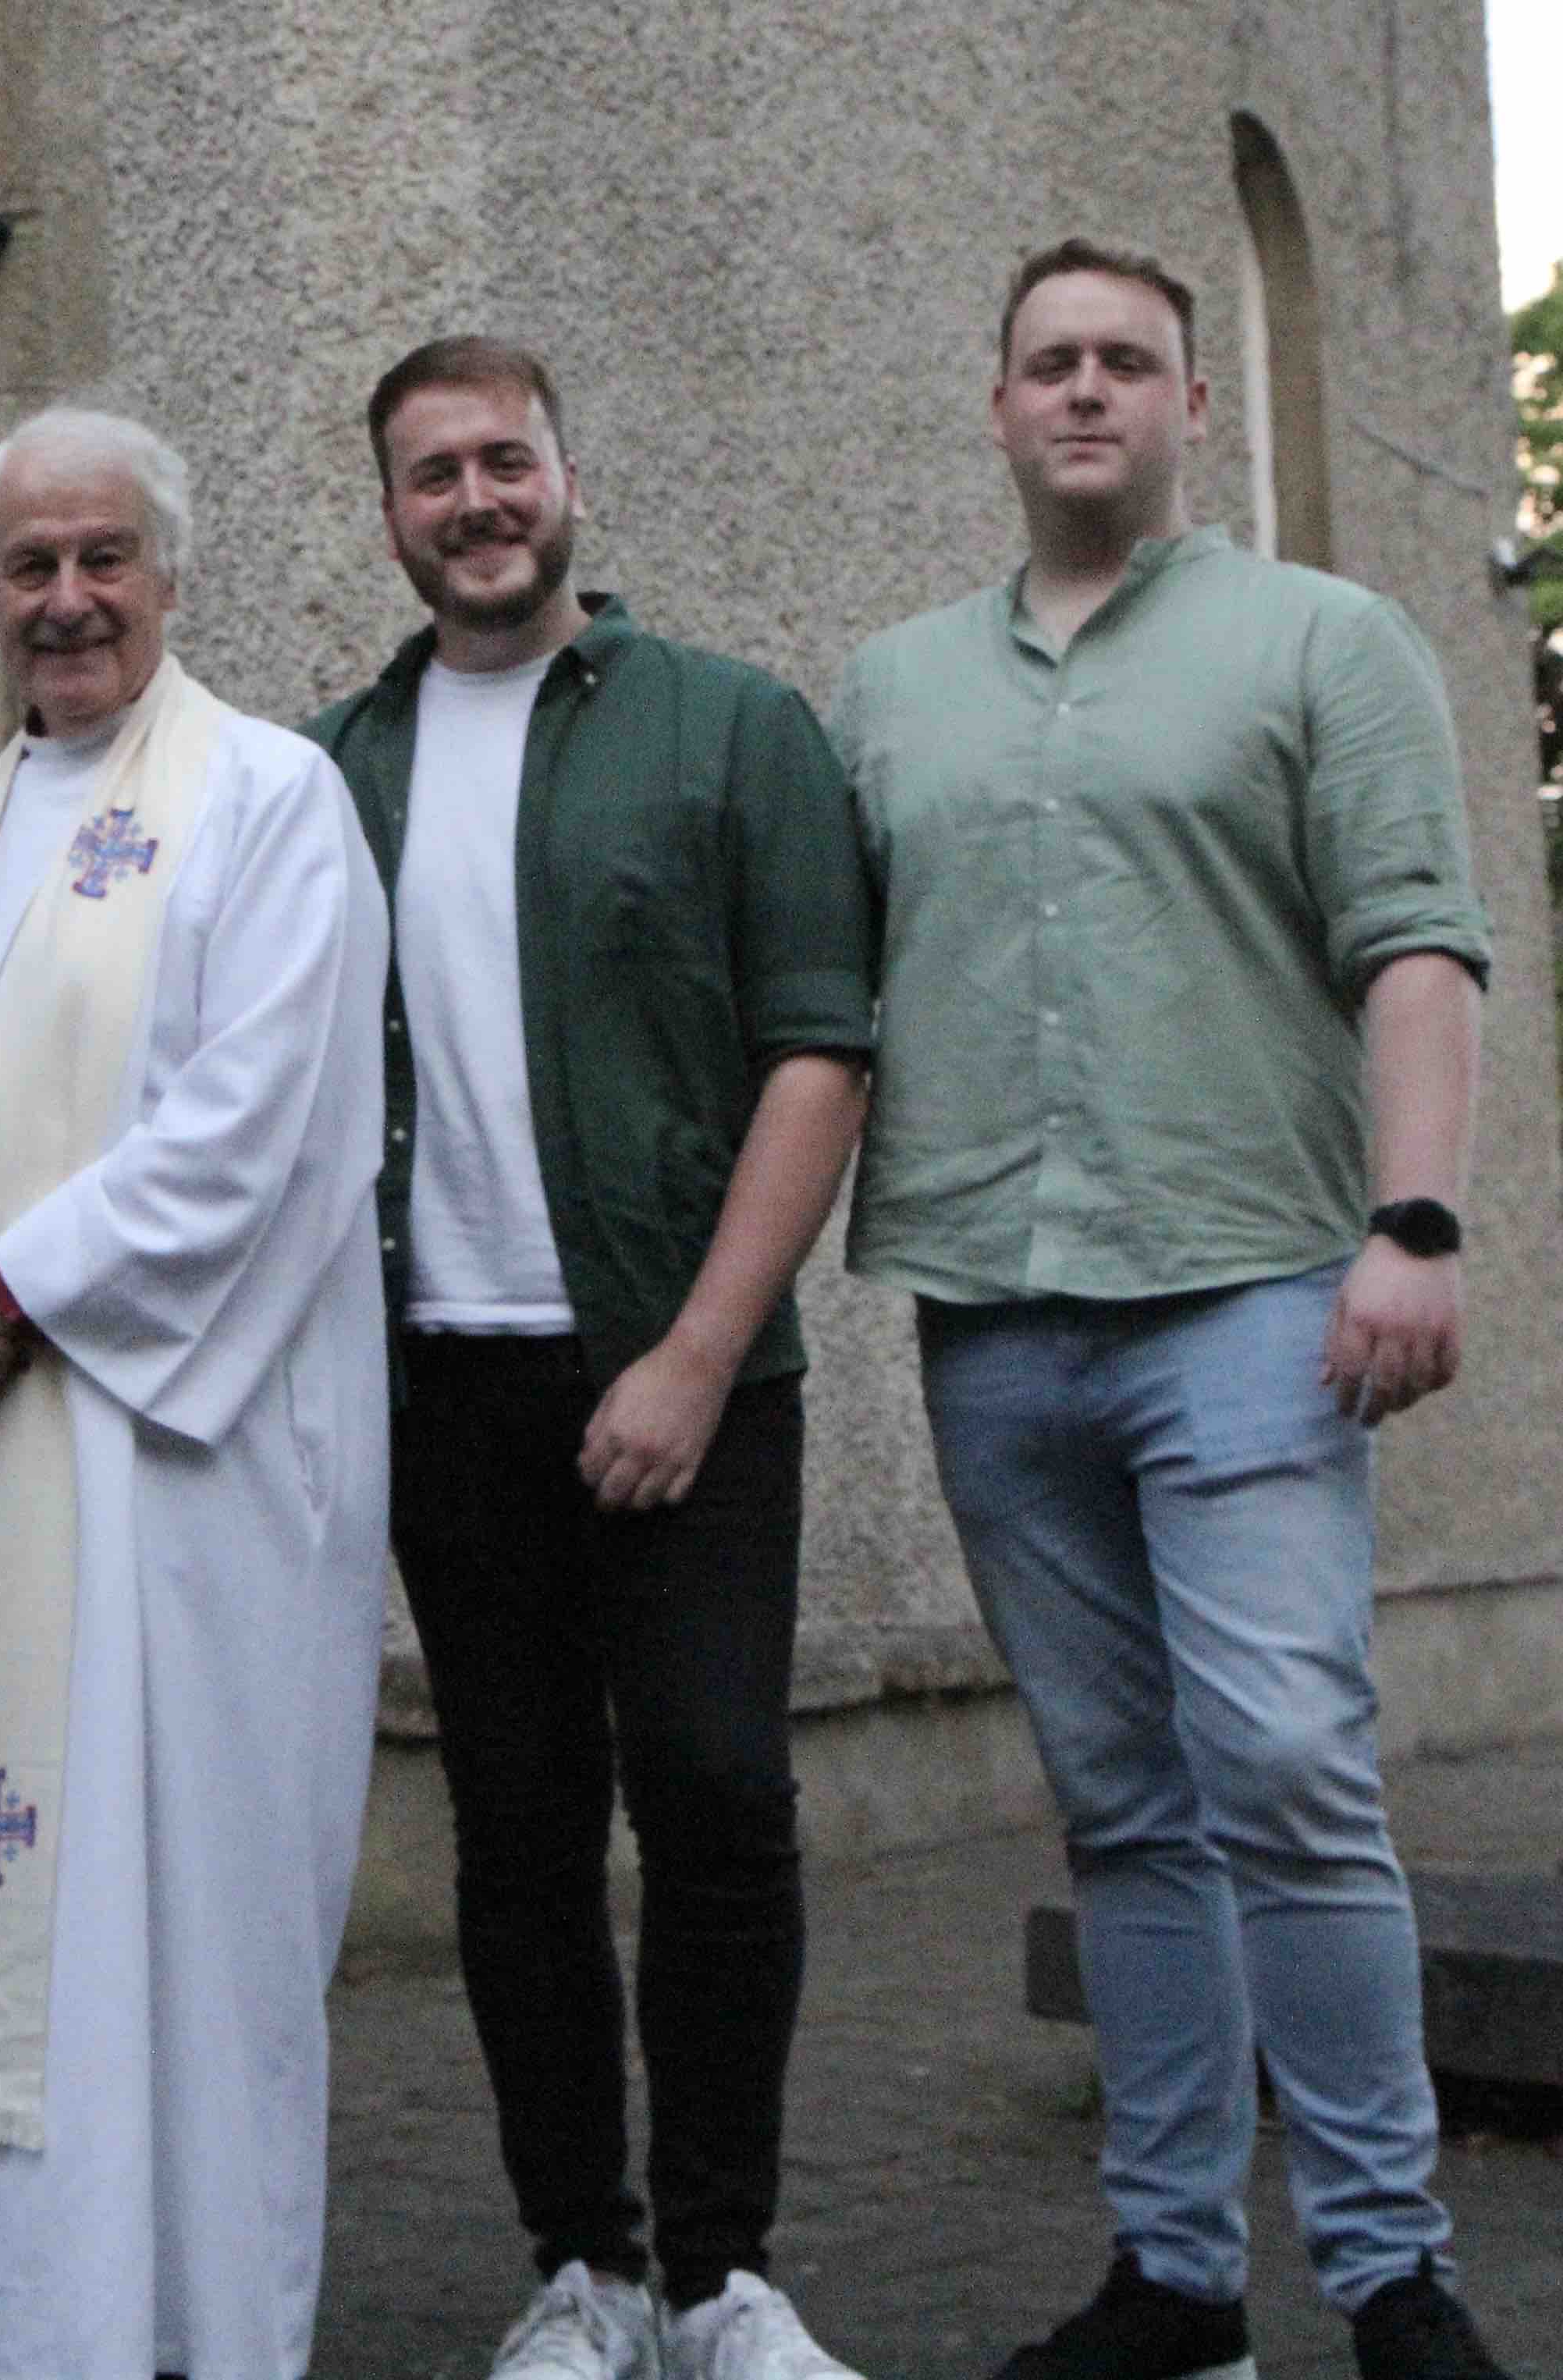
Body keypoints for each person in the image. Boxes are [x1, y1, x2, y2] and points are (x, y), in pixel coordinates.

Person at [832, 239, 1508, 2380]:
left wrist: (1418, 1218)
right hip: (993, 1313)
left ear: (1191, 407)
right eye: (1050, 361)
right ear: (1000, 405)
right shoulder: (891, 690)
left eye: (1129, 359)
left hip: (1250, 1293)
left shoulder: (1328, 641)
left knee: (1290, 1767)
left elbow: (1416, 941)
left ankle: (1394, 2275)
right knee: (1120, 1801)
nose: (1088, 390)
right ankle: (1178, 2284)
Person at [300, 339, 879, 2380]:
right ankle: (587, 2269)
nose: (475, 499)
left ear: (567, 476)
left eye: (506, 460)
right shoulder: (328, 771)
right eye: (431, 472)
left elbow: (817, 1049)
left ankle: (726, 2277)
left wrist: (698, 1356)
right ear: (385, 512)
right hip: (444, 1393)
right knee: (520, 1835)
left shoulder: (728, 731)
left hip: (691, 1374)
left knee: (719, 1796)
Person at [0, 407, 393, 2380]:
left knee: (165, 1948)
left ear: (166, 573)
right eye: (27, 565)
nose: (65, 599)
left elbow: (264, 1125)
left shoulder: (268, 799)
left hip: (163, 1488)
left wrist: (13, 1286)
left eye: (101, 559)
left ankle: (175, 2334)